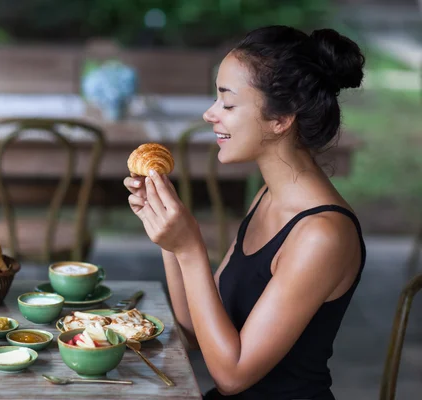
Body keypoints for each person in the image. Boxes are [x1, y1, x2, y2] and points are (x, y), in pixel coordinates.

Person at [123, 25, 366, 400]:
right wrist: (168, 237)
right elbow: (193, 332)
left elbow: (232, 376)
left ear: (281, 119)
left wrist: (190, 250)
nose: (209, 114)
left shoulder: (323, 234)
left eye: (228, 103)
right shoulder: (268, 197)